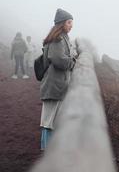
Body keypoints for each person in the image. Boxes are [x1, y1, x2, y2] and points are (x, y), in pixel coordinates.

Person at [39, 8, 77, 150]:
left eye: (72, 22)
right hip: (54, 85)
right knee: (49, 121)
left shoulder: (62, 37)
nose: (71, 25)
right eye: (69, 22)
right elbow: (59, 60)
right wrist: (73, 62)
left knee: (52, 120)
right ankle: (47, 152)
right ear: (61, 23)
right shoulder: (57, 39)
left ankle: (49, 150)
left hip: (57, 84)